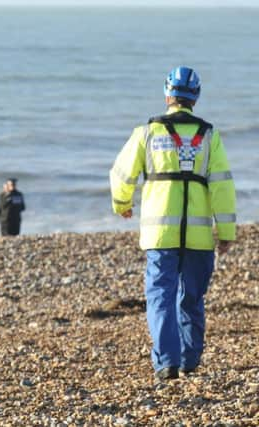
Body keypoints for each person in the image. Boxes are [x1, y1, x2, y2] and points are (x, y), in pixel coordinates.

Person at [109, 66, 236, 381]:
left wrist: (122, 204)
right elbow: (222, 185)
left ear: (168, 95)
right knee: (191, 297)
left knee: (160, 296)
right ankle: (190, 359)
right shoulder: (209, 135)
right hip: (198, 237)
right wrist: (227, 230)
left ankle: (167, 362)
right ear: (196, 97)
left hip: (159, 233)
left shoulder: (148, 132)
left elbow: (122, 173)